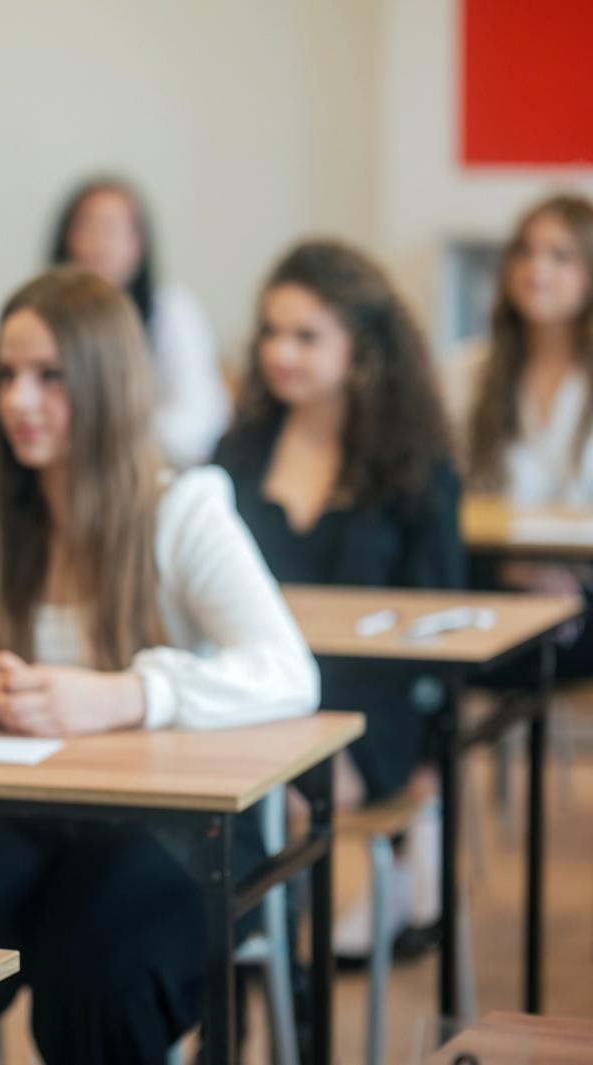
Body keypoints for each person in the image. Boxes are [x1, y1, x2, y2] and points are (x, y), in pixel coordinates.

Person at [0, 265, 317, 1063]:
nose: (18, 400)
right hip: (26, 810)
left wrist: (129, 694)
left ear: (107, 384)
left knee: (99, 969)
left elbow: (288, 669)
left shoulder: (179, 509)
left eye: (50, 376)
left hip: (181, 825)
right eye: (7, 374)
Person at [214, 239, 463, 961]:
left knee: (271, 779)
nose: (279, 353)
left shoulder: (417, 466)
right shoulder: (242, 449)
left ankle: (261, 926)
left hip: (367, 711)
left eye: (305, 336)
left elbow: (441, 628)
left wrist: (432, 761)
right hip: (261, 692)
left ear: (361, 350)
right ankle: (244, 933)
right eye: (270, 332)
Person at [454, 193, 593, 677]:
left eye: (561, 255)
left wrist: (568, 575)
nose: (537, 269)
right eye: (525, 252)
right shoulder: (467, 374)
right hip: (494, 579)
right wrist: (519, 570)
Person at [50, 175, 230, 467]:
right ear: (66, 238)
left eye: (113, 229)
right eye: (87, 226)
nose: (100, 243)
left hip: (147, 468)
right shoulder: (41, 316)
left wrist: (115, 444)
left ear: (140, 243)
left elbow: (200, 415)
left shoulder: (171, 311)